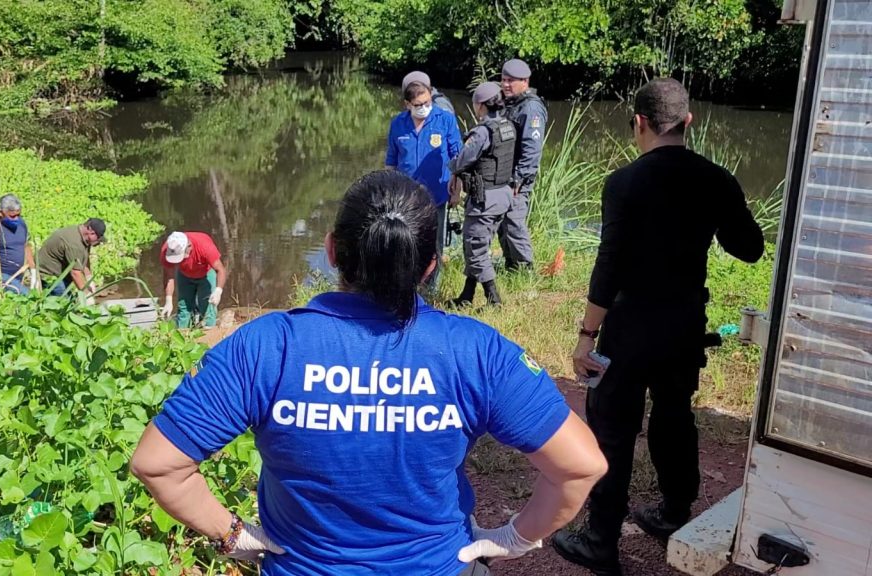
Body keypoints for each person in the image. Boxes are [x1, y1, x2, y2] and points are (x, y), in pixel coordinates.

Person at [130, 170, 608, 575]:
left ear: (333, 251)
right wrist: (513, 539)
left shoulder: (265, 346)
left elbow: (158, 463)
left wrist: (234, 535)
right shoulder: (475, 351)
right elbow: (580, 465)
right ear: (428, 267)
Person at [552, 79, 764, 576]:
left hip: (629, 327)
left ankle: (601, 541)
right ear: (688, 123)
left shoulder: (624, 182)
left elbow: (610, 266)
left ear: (639, 124)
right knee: (674, 413)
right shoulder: (715, 178)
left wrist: (587, 335)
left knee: (611, 426)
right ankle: (673, 512)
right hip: (684, 322)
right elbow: (750, 248)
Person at [386, 77, 463, 290]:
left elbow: (459, 157)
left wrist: (457, 191)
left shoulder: (445, 120)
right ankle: (408, 284)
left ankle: (431, 288)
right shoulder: (398, 124)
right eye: (419, 105)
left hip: (437, 194)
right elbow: (391, 162)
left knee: (435, 243)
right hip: (406, 196)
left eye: (428, 103)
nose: (424, 108)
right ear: (407, 104)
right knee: (406, 240)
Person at [447, 82, 517, 307]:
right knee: (477, 245)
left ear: (480, 106)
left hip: (485, 199)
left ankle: (493, 300)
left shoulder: (483, 132)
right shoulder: (508, 126)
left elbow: (463, 159)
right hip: (502, 196)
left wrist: (451, 167)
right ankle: (466, 296)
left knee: (475, 248)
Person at [499, 58, 547, 271]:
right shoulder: (513, 104)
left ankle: (524, 269)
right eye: (503, 80)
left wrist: (518, 178)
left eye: (511, 81)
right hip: (504, 175)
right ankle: (511, 265)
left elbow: (531, 148)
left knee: (514, 220)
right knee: (503, 221)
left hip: (518, 177)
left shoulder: (531, 108)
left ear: (525, 81)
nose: (506, 85)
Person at [159, 231, 228, 330]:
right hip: (184, 274)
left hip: (206, 274)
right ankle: (183, 334)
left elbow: (220, 269)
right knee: (183, 307)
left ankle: (208, 333)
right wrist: (168, 300)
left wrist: (218, 291)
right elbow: (169, 276)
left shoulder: (204, 247)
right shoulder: (168, 250)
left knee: (207, 306)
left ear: (189, 247)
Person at [37, 218, 106, 297]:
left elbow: (84, 259)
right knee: (64, 302)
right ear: (91, 231)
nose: (97, 242)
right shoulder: (74, 244)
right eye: (97, 239)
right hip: (49, 274)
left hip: (61, 272)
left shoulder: (83, 237)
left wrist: (88, 278)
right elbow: (75, 273)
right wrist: (87, 295)